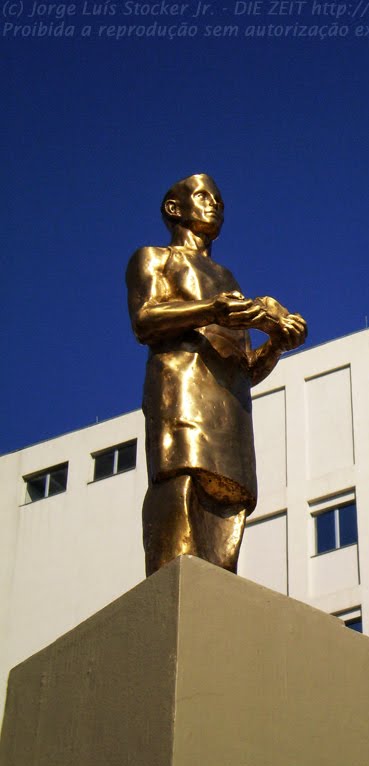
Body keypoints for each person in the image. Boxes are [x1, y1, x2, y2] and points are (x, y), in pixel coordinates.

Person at [126, 174, 307, 576]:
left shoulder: (228, 280)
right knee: (181, 483)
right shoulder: (155, 258)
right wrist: (212, 310)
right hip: (181, 393)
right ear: (175, 208)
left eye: (220, 200)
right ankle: (172, 585)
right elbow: (145, 320)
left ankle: (215, 594)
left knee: (231, 506)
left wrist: (278, 343)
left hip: (229, 409)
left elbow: (244, 368)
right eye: (203, 196)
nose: (215, 205)